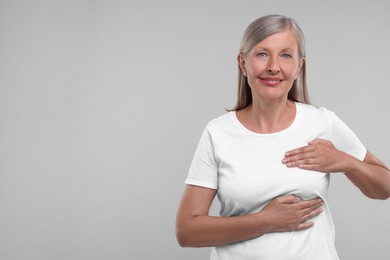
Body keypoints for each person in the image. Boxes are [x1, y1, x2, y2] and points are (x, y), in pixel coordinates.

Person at [175, 14, 390, 260]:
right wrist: (265, 221)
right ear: (243, 63)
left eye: (286, 55)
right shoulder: (219, 132)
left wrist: (345, 161)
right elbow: (187, 231)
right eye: (262, 54)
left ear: (299, 67)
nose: (274, 66)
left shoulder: (322, 122)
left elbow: (385, 188)